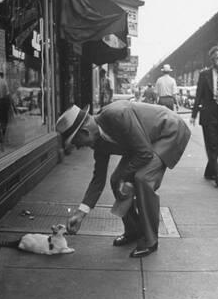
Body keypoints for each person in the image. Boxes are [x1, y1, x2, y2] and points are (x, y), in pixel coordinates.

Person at [56, 101, 191, 258]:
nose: (78, 147)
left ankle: (150, 240)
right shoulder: (98, 142)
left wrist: (127, 178)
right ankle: (133, 230)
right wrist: (80, 213)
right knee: (116, 181)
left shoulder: (118, 115)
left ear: (85, 132)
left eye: (76, 143)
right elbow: (98, 179)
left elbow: (145, 153)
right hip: (143, 143)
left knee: (143, 179)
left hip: (168, 131)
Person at [190, 46, 218, 187]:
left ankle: (209, 171)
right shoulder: (204, 75)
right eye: (216, 58)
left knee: (217, 145)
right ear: (212, 59)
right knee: (212, 144)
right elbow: (199, 95)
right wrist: (193, 114)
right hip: (209, 113)